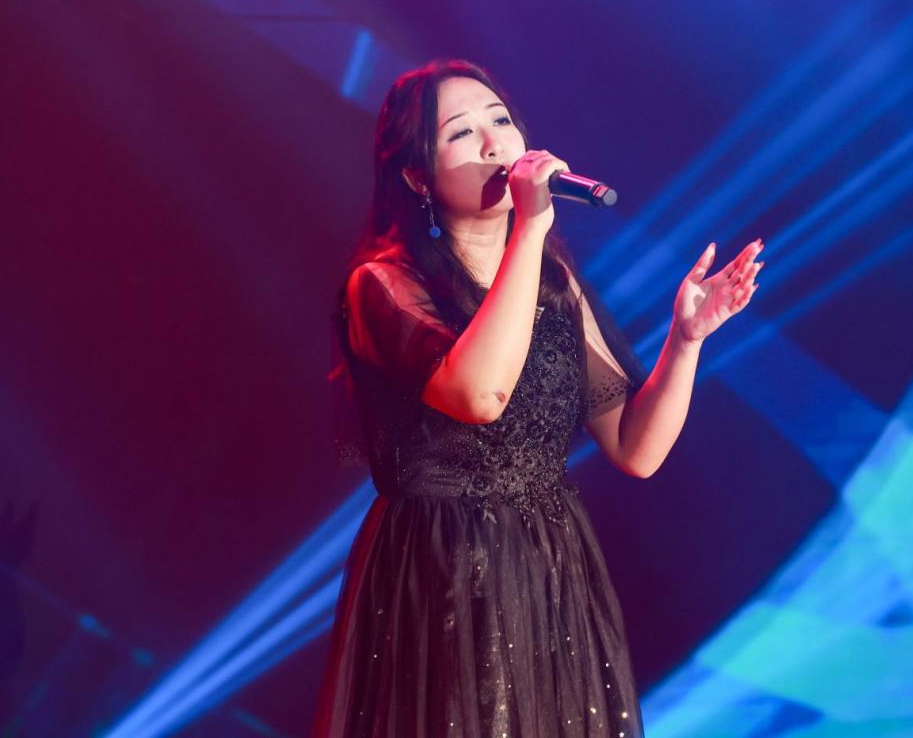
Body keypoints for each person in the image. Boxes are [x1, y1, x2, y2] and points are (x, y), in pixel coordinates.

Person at [313, 58, 764, 736]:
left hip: (549, 567)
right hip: (441, 570)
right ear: (417, 178)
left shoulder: (554, 281)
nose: (494, 143)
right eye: (461, 133)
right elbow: (480, 395)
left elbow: (636, 449)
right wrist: (529, 228)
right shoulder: (383, 286)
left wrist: (685, 340)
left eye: (501, 121)